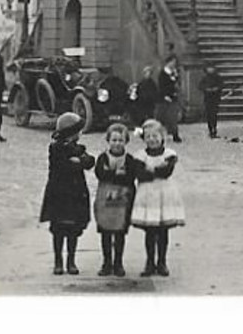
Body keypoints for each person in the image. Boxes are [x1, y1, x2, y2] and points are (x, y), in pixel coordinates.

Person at [39, 111, 95, 275]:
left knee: (73, 230)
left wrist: (79, 160)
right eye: (77, 131)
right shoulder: (56, 148)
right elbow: (64, 166)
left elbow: (89, 161)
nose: (80, 134)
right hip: (60, 194)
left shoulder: (77, 148)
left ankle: (71, 260)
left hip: (75, 193)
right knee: (58, 228)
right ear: (71, 133)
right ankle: (58, 260)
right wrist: (77, 161)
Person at [92, 121, 149, 277]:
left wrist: (114, 174)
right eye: (114, 140)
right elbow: (100, 174)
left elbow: (130, 177)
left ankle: (118, 262)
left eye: (120, 140)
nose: (117, 143)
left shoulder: (129, 160)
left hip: (123, 201)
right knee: (105, 233)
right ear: (108, 141)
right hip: (105, 199)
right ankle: (106, 262)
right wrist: (116, 174)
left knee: (119, 233)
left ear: (126, 142)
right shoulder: (103, 158)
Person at [130, 118, 185, 276]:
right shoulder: (140, 156)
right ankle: (149, 262)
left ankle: (162, 262)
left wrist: (151, 170)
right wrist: (155, 171)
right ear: (144, 139)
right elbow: (140, 175)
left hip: (164, 194)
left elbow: (166, 172)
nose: (152, 140)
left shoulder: (169, 154)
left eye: (155, 136)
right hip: (147, 195)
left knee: (163, 231)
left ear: (163, 137)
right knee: (150, 231)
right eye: (148, 137)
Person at [157, 53, 183, 142]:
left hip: (173, 97)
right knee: (164, 117)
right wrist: (165, 95)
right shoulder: (163, 73)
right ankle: (164, 134)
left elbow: (178, 83)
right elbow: (162, 86)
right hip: (165, 97)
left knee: (173, 117)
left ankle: (175, 134)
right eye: (172, 62)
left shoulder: (175, 72)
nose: (173, 64)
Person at [201, 64, 223, 139]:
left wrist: (216, 89)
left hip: (215, 98)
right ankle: (210, 129)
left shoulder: (218, 77)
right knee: (209, 114)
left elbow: (221, 85)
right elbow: (200, 86)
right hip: (208, 98)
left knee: (214, 114)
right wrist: (206, 89)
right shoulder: (205, 78)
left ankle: (214, 128)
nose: (210, 69)